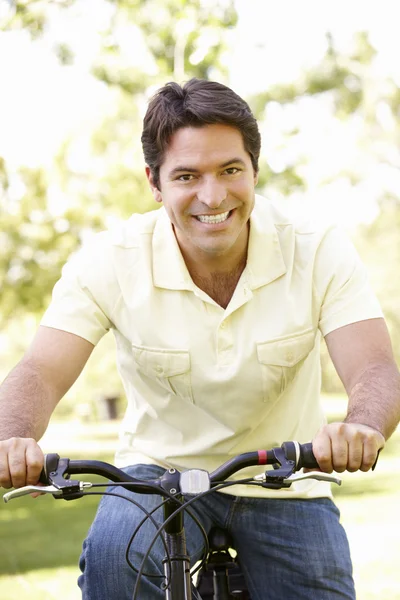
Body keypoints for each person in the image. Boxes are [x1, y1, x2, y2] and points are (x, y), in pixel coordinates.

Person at [0, 78, 399, 600]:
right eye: (187, 175)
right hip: (155, 475)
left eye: (230, 170)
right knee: (112, 560)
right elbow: (40, 371)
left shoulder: (317, 248)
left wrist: (361, 427)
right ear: (155, 181)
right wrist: (12, 437)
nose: (213, 196)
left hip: (283, 474)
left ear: (254, 169)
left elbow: (374, 367)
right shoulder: (111, 259)